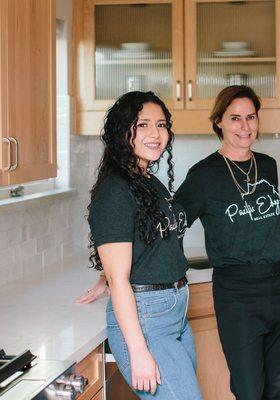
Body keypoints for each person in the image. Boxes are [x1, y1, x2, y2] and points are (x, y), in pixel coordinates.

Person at [174, 85, 280, 400]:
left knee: (274, 388)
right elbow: (169, 227)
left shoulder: (268, 165)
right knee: (249, 390)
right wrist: (112, 272)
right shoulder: (204, 176)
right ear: (219, 121)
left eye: (250, 117)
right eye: (235, 118)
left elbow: (266, 220)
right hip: (238, 294)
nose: (245, 127)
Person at [87, 91, 202, 399]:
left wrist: (106, 274)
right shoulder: (115, 190)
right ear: (123, 132)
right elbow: (119, 278)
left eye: (161, 125)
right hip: (148, 321)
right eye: (142, 125)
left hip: (174, 314)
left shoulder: (147, 181)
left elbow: (146, 242)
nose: (155, 134)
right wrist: (138, 351)